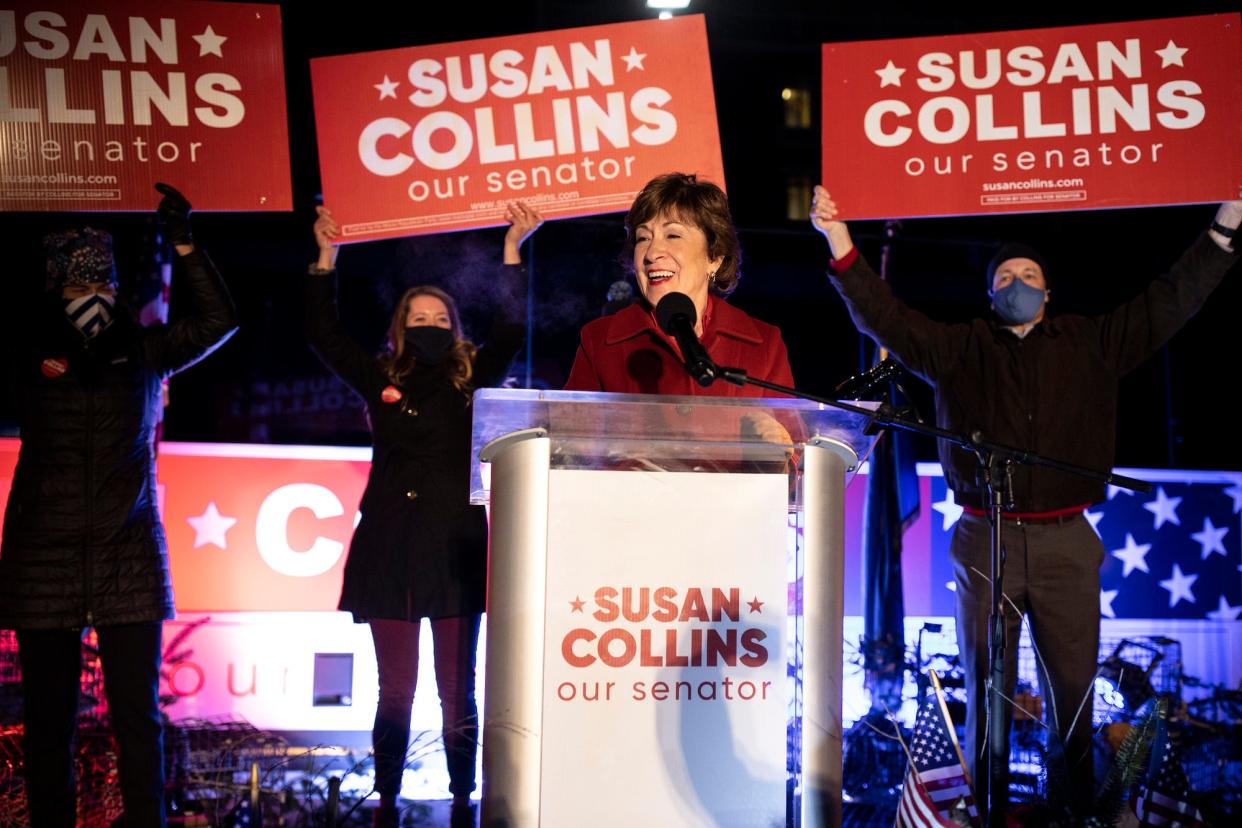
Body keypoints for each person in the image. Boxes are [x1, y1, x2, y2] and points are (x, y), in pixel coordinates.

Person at [810, 184, 1241, 813]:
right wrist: (841, 242)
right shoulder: (960, 350)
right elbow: (887, 319)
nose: (1018, 281)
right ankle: (987, 808)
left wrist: (1225, 226)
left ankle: (1072, 810)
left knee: (1072, 692)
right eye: (1005, 275)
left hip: (1068, 542)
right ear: (990, 294)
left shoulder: (1092, 342)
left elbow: (1169, 301)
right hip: (985, 537)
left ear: (1048, 291)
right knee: (990, 690)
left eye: (1029, 273)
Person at [0, 184, 238, 827]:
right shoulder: (26, 348)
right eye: (78, 287)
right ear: (54, 287)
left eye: (101, 284)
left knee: (137, 718)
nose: (93, 298)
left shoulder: (142, 349)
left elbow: (220, 320)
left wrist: (185, 245)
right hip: (41, 557)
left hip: (127, 552)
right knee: (49, 722)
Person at [307, 202, 541, 826]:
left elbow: (513, 331)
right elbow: (325, 336)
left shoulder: (471, 377)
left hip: (456, 550)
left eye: (441, 317)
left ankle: (465, 797)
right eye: (419, 317)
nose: (431, 324)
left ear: (455, 325)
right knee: (395, 690)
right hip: (388, 550)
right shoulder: (380, 374)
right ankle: (387, 798)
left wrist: (513, 247)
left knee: (457, 690)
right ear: (401, 327)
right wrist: (327, 257)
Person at [564, 173, 793, 397]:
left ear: (714, 258)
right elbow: (568, 430)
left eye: (673, 235)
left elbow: (789, 432)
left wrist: (773, 431)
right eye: (643, 238)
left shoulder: (765, 345)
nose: (652, 253)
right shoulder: (598, 341)